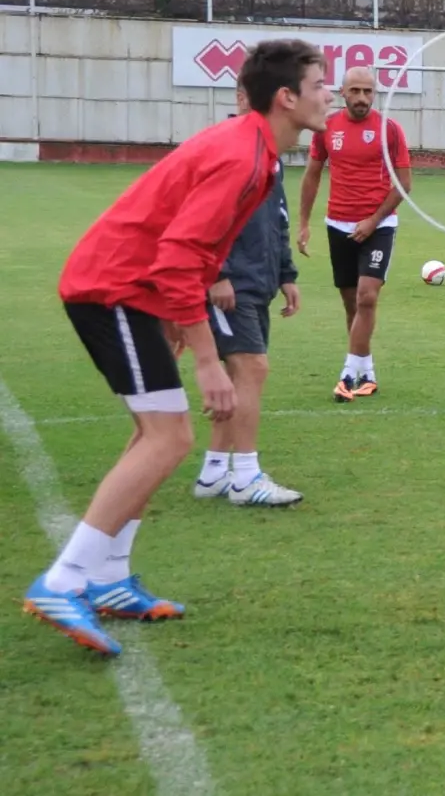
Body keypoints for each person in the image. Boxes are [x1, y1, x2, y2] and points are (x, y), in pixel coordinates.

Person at [25, 40, 332, 657]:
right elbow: (177, 256)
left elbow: (195, 251)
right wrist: (207, 359)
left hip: (130, 293)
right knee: (170, 437)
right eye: (321, 84)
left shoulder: (260, 155)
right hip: (112, 290)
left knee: (154, 434)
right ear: (286, 97)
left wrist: (177, 324)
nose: (328, 94)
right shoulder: (241, 156)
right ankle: (63, 581)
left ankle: (109, 581)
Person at [192, 85, 304, 507]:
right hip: (229, 284)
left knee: (242, 377)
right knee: (252, 368)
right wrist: (216, 274)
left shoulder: (269, 155)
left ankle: (215, 471)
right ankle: (245, 477)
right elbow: (204, 214)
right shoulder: (226, 148)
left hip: (259, 281)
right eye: (244, 93)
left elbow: (278, 218)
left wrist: (286, 274)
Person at [297, 66, 413, 403]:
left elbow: (404, 184)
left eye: (368, 91)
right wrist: (304, 223)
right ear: (343, 92)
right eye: (355, 91)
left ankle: (348, 374)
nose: (362, 98)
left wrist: (374, 220)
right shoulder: (326, 128)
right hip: (338, 225)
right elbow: (312, 175)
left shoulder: (389, 130)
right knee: (352, 304)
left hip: (378, 227)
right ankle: (368, 371)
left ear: (375, 94)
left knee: (367, 297)